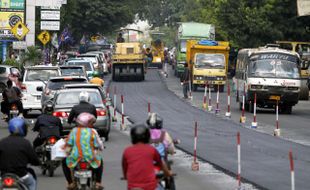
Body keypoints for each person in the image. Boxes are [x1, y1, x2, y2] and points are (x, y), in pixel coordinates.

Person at [122, 124, 172, 190]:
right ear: (147, 136)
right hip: (150, 187)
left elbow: (125, 167)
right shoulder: (151, 149)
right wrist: (168, 173)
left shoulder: (127, 151)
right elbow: (161, 164)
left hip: (133, 187)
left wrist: (126, 176)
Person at [62, 112, 104, 190]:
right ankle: (98, 183)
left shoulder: (74, 131)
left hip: (75, 157)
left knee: (64, 161)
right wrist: (100, 148)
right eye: (91, 122)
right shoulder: (92, 131)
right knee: (100, 161)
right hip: (90, 157)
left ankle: (70, 183)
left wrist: (66, 151)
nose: (91, 124)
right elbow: (97, 145)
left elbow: (69, 144)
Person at [0, 118, 40, 190]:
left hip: (4, 175)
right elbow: (34, 159)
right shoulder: (25, 143)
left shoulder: (2, 142)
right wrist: (37, 162)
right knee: (31, 183)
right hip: (22, 175)